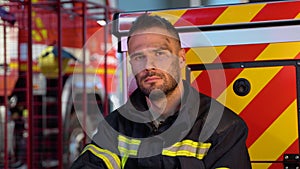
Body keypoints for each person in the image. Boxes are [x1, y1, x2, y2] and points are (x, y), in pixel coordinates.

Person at [70, 13, 251, 169]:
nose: (149, 66)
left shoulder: (224, 128)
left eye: (159, 54)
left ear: (181, 59)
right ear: (132, 65)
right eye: (139, 57)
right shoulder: (116, 126)